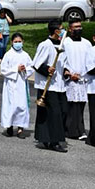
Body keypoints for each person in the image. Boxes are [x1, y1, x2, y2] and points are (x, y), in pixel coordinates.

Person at [32, 20, 68, 153]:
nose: (63, 31)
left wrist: (66, 71)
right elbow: (36, 64)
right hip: (48, 85)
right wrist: (47, 69)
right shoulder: (45, 45)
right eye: (61, 29)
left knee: (63, 110)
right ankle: (54, 141)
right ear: (56, 31)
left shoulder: (62, 45)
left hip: (60, 84)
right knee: (54, 113)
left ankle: (46, 137)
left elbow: (64, 63)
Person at [62, 18, 92, 140]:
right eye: (76, 27)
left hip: (83, 78)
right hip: (70, 79)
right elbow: (62, 61)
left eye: (80, 26)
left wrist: (83, 75)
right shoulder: (65, 43)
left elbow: (90, 61)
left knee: (80, 106)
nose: (78, 29)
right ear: (70, 29)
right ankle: (69, 130)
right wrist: (69, 74)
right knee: (71, 106)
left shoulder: (87, 43)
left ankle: (80, 129)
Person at [0, 32, 33, 139]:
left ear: (23, 42)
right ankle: (9, 125)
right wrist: (16, 70)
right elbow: (3, 70)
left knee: (22, 106)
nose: (18, 44)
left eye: (19, 42)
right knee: (11, 106)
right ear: (11, 42)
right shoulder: (8, 55)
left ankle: (20, 128)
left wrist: (25, 70)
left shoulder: (25, 55)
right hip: (11, 83)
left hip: (22, 83)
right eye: (16, 42)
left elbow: (31, 67)